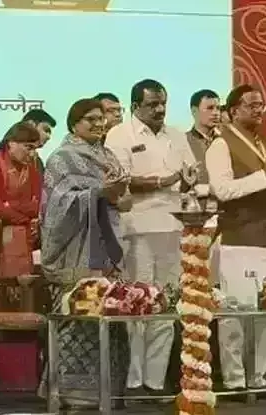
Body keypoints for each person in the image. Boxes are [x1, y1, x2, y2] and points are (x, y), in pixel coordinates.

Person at [104, 79, 197, 395]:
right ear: (135, 107)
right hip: (138, 229)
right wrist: (163, 181)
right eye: (152, 104)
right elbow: (120, 180)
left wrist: (188, 179)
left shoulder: (176, 135)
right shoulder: (120, 134)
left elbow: (189, 174)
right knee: (138, 301)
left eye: (163, 104)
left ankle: (155, 381)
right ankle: (133, 379)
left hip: (174, 226)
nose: (159, 110)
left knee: (166, 302)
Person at [205, 84, 266, 389]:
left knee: (264, 310)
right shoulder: (221, 144)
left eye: (261, 105)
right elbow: (223, 190)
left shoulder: (264, 143)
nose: (259, 111)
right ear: (234, 111)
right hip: (237, 237)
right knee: (234, 313)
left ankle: (258, 378)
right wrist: (264, 174)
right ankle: (234, 380)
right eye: (252, 105)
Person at [39, 98, 129, 408]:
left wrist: (118, 197)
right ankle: (72, 395)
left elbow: (124, 200)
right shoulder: (61, 158)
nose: (99, 123)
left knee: (110, 316)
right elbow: (57, 206)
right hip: (75, 249)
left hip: (107, 246)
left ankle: (108, 393)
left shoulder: (109, 156)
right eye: (90, 119)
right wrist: (98, 193)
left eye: (101, 118)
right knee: (78, 317)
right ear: (74, 123)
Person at [0, 122, 43, 279]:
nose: (33, 154)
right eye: (28, 147)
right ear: (11, 143)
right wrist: (24, 218)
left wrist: (10, 205)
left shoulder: (32, 168)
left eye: (35, 149)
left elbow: (38, 204)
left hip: (25, 234)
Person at [186, 89, 221, 185]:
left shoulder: (226, 141)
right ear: (194, 111)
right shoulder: (183, 142)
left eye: (218, 108)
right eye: (210, 108)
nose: (216, 113)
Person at [23, 108, 57, 173]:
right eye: (45, 130)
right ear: (31, 124)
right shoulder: (7, 154)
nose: (49, 137)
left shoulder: (37, 162)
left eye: (49, 133)